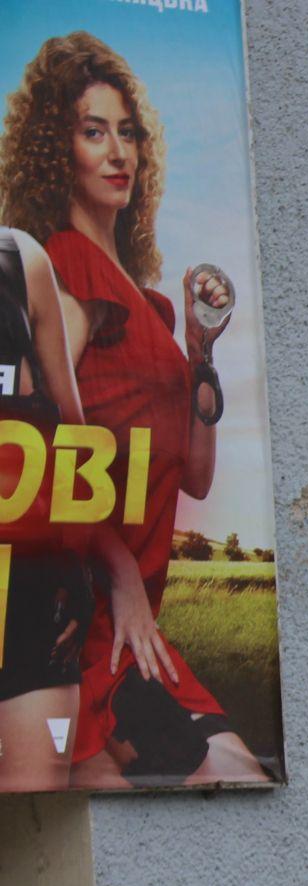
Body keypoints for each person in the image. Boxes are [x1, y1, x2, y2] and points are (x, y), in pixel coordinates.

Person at [0, 31, 267, 788]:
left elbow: (199, 475)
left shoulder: (147, 305)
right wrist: (117, 569)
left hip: (129, 632)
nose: (117, 151)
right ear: (59, 151)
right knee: (228, 780)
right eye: (93, 131)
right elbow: (39, 448)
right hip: (81, 613)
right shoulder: (62, 273)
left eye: (128, 131)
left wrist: (200, 347)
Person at [0, 223, 89, 791]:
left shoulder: (19, 257)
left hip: (29, 599)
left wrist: (76, 569)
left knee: (36, 819)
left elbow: (75, 435)